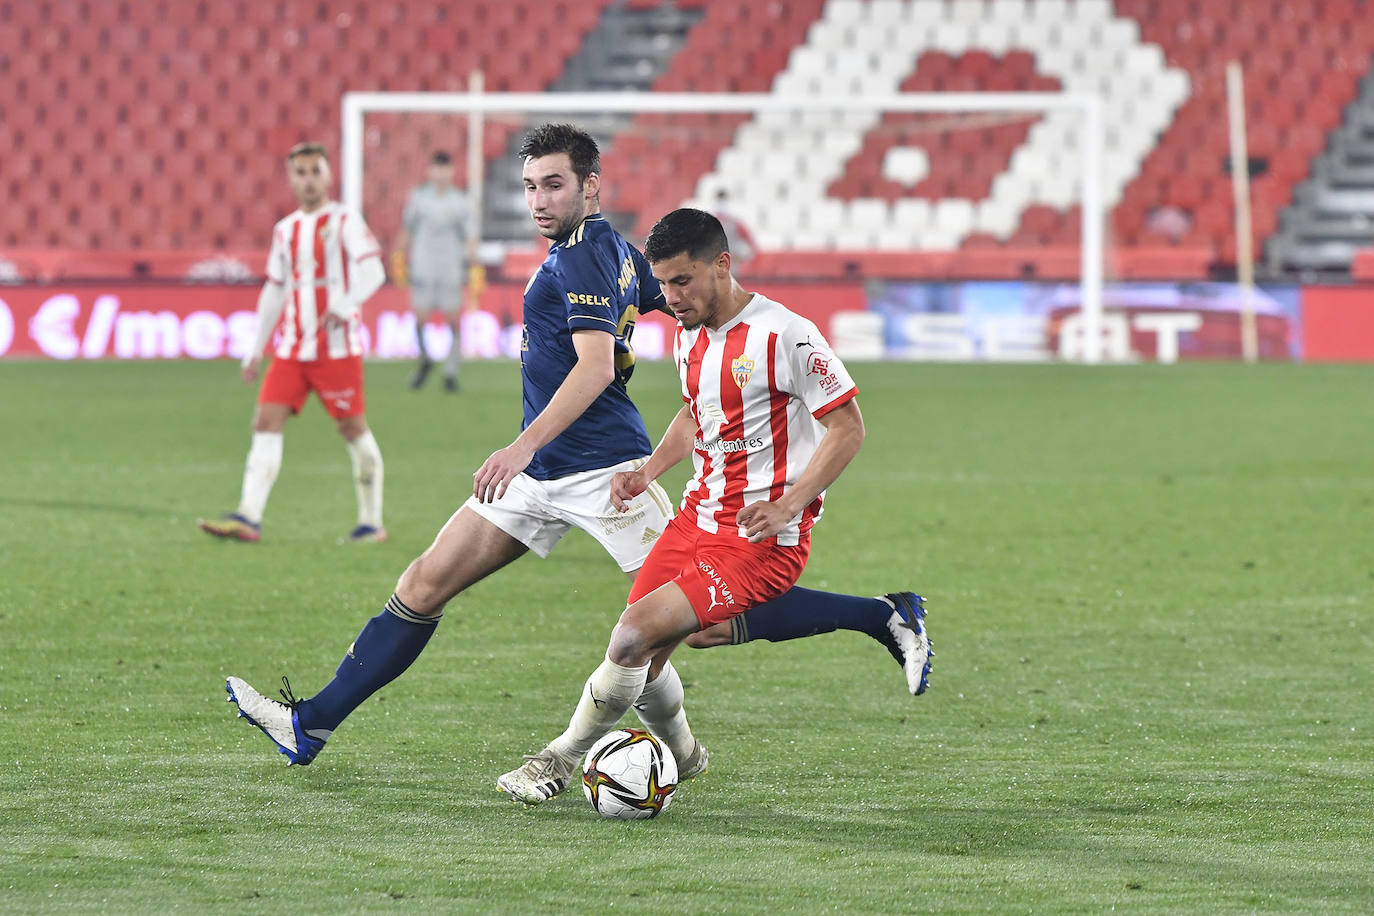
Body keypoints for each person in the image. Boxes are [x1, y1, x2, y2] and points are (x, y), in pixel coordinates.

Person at [224, 125, 930, 772]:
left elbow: (596, 367)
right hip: (542, 474)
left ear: (590, 186)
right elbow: (680, 304)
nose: (538, 198)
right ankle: (309, 724)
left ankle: (865, 624)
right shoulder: (617, 252)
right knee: (423, 584)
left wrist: (520, 446)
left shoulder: (586, 259)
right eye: (530, 185)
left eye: (554, 184)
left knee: (696, 625)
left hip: (598, 469)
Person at [496, 207, 919, 805]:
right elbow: (697, 412)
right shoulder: (689, 333)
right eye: (662, 283)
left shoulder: (786, 333)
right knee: (653, 655)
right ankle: (689, 757)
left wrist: (790, 503)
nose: (669, 297)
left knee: (631, 638)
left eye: (682, 281)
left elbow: (847, 428)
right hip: (696, 517)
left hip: (760, 536)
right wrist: (647, 472)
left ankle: (557, 761)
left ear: (722, 264)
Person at [199, 142, 387, 545]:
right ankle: (249, 517)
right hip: (291, 348)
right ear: (291, 179)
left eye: (314, 171)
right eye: (299, 173)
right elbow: (274, 291)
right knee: (265, 421)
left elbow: (373, 270)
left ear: (327, 175)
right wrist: (255, 349)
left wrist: (345, 302)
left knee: (352, 428)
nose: (308, 180)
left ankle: (371, 523)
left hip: (336, 348)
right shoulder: (285, 230)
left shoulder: (344, 220)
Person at [391, 150, 478, 392]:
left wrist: (473, 263)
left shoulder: (461, 201)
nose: (440, 174)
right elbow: (407, 229)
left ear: (451, 172)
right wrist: (397, 255)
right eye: (437, 169)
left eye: (445, 169)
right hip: (423, 266)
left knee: (453, 320)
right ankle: (425, 358)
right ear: (430, 171)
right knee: (419, 319)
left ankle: (451, 372)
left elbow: (470, 236)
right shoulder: (418, 198)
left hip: (450, 268)